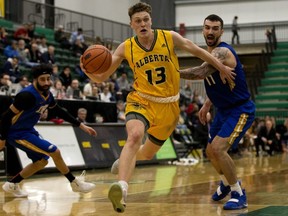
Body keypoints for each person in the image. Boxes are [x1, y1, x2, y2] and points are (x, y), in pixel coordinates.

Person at [80, 3, 234, 213]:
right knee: (134, 135)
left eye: (145, 19)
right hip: (140, 100)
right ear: (132, 24)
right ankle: (122, 189)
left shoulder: (168, 37)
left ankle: (124, 159)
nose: (142, 24)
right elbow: (103, 75)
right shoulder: (126, 47)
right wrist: (86, 70)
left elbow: (197, 51)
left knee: (147, 154)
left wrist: (221, 67)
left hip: (168, 107)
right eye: (138, 21)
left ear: (150, 21)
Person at [179, 14, 255, 210]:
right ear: (203, 30)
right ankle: (226, 183)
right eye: (207, 27)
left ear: (221, 31)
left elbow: (201, 72)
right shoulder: (209, 53)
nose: (210, 31)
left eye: (215, 28)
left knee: (220, 149)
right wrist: (206, 104)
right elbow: (214, 82)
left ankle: (239, 193)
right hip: (222, 109)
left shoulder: (222, 52)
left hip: (240, 109)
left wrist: (172, 72)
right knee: (210, 151)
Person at [0, 64, 97, 198]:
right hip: (16, 133)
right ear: (35, 79)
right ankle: (75, 183)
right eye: (42, 79)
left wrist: (81, 125)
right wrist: (2, 139)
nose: (46, 83)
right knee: (54, 151)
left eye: (48, 79)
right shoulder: (26, 96)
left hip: (28, 130)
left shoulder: (47, 94)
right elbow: (5, 118)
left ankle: (12, 184)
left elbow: (58, 111)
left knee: (42, 162)